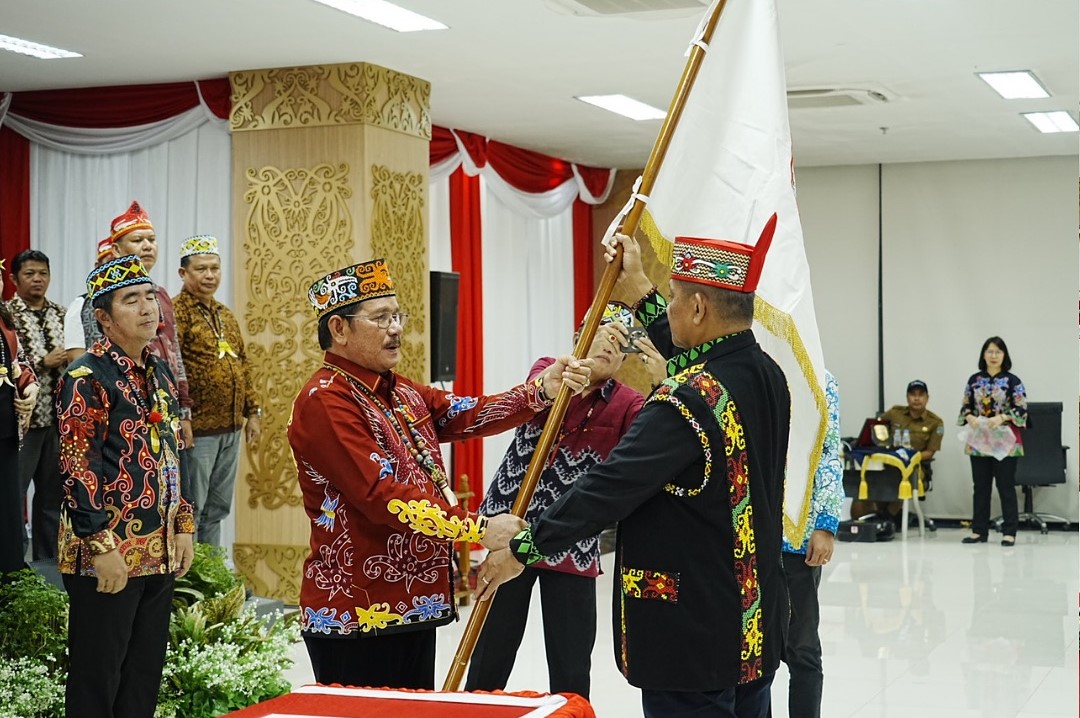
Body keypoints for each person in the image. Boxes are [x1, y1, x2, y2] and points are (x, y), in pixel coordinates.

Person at [478, 228, 792, 718]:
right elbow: (698, 357)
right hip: (752, 625)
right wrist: (640, 284)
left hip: (693, 636)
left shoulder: (684, 401)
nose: (667, 309)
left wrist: (524, 548)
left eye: (673, 298)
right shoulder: (766, 374)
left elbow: (609, 487)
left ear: (698, 308)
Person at [287, 258, 592, 690]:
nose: (396, 328)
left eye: (397, 316)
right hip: (357, 609)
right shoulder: (326, 400)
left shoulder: (400, 390)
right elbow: (381, 495)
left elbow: (466, 414)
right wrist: (478, 529)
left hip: (415, 601)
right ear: (339, 328)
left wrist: (541, 390)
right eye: (381, 318)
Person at [465, 302, 666, 699]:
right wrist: (565, 382)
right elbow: (536, 392)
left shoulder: (629, 404)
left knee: (572, 666)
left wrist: (662, 386)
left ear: (624, 361)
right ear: (579, 337)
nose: (609, 346)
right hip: (512, 526)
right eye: (603, 334)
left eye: (619, 344)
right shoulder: (548, 370)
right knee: (490, 654)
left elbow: (652, 438)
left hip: (570, 540)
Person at [57, 255, 195, 718]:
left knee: (143, 676)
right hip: (109, 551)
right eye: (131, 300)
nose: (147, 308)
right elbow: (78, 470)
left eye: (149, 297)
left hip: (159, 547)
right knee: (98, 678)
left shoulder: (158, 371)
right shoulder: (86, 378)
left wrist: (183, 525)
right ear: (104, 317)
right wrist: (100, 547)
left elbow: (174, 452)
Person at [173, 235, 261, 546]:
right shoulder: (176, 312)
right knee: (193, 509)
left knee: (218, 508)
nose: (210, 275)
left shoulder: (225, 314)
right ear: (183, 273)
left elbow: (243, 363)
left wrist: (253, 411)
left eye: (214, 268)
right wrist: (182, 417)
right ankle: (191, 572)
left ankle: (214, 569)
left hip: (231, 428)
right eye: (201, 269)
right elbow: (173, 369)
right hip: (198, 430)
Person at [774, 371, 841, 718]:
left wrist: (826, 525)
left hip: (797, 538)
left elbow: (830, 452)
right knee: (746, 653)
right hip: (744, 538)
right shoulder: (747, 367)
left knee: (801, 648)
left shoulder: (820, 377)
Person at [6, 249, 68, 560]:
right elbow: (9, 363)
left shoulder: (61, 313)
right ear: (14, 279)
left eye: (43, 273)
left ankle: (48, 563)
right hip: (21, 422)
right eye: (29, 274)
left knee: (52, 496)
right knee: (13, 494)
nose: (37, 279)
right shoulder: (7, 315)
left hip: (58, 421)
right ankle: (15, 562)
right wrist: (44, 362)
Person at [958, 336, 1027, 546]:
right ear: (983, 355)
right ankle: (979, 530)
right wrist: (969, 416)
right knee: (980, 486)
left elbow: (1021, 408)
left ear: (1004, 355)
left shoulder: (1013, 381)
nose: (993, 355)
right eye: (989, 351)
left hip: (1005, 440)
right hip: (979, 440)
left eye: (998, 351)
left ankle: (1009, 532)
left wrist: (1002, 417)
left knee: (1005, 486)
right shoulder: (974, 379)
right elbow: (966, 405)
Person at [850, 379, 944, 525]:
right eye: (913, 395)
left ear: (927, 398)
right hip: (887, 462)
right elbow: (875, 429)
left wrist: (909, 459)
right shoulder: (895, 413)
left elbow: (930, 452)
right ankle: (870, 517)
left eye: (921, 395)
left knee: (897, 476)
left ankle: (887, 517)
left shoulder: (935, 422)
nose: (917, 398)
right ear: (907, 397)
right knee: (868, 477)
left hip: (914, 467)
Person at [0, 258, 39, 576]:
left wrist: (31, 388)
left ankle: (11, 578)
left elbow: (19, 363)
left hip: (6, 427)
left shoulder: (4, 320)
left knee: (9, 507)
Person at [64, 237, 117, 365]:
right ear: (97, 267)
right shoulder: (80, 305)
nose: (116, 270)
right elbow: (76, 359)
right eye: (110, 263)